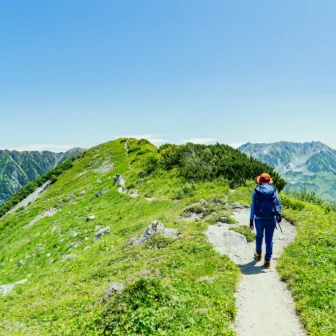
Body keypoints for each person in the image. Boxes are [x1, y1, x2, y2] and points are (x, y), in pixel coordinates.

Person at [249, 173, 282, 269]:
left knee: (259, 236)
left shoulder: (255, 192)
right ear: (269, 181)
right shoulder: (273, 192)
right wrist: (279, 215)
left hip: (258, 219)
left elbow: (253, 207)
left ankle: (258, 254)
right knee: (269, 240)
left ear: (259, 181)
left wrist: (251, 219)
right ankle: (267, 260)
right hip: (271, 219)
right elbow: (277, 204)